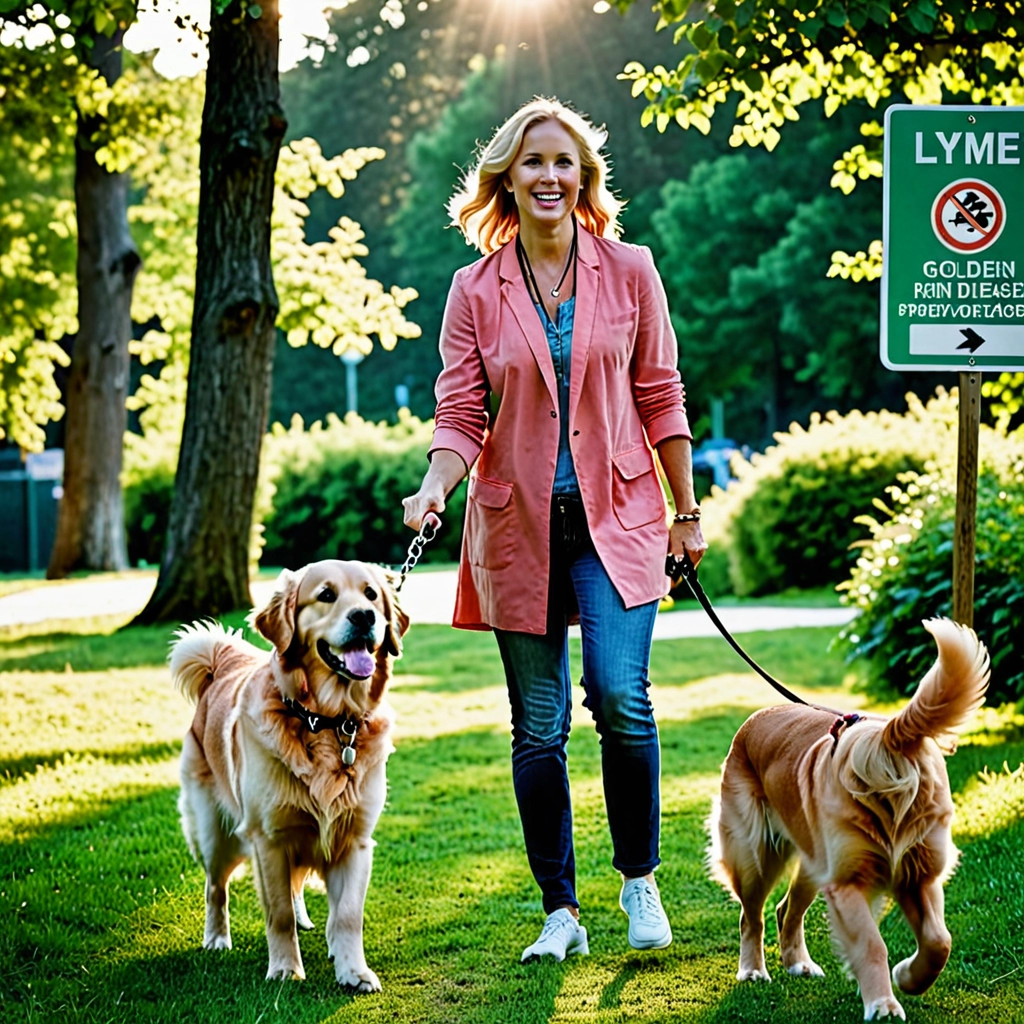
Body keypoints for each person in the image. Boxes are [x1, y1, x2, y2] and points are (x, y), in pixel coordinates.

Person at [402, 97, 707, 962]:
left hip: (619, 517)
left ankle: (639, 881)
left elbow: (662, 395)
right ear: (507, 175)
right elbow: (460, 411)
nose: (548, 176)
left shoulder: (632, 268)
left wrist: (686, 514)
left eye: (563, 162)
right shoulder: (475, 288)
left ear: (584, 178)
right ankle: (560, 912)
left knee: (620, 697)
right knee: (538, 725)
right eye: (532, 162)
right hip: (517, 527)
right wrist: (432, 488)